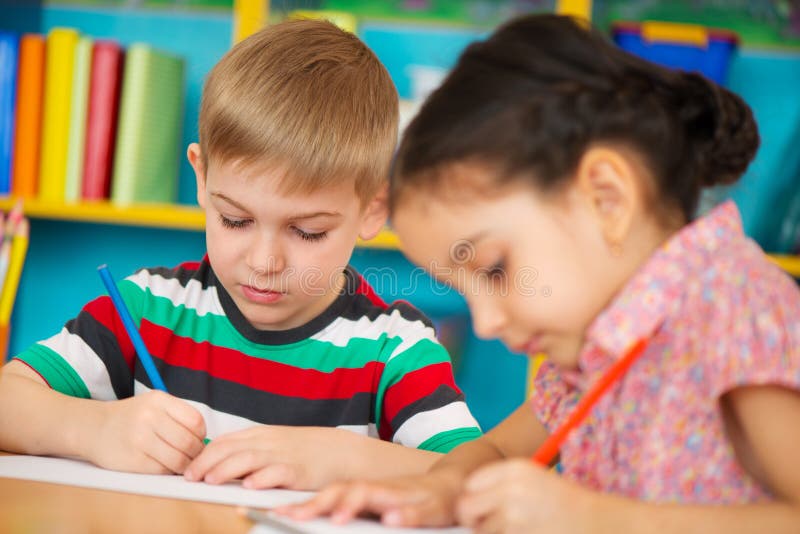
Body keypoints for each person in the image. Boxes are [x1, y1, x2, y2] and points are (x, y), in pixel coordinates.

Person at [277, 14, 800, 532]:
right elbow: (502, 450)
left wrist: (595, 520)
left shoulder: (733, 308)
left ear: (607, 199)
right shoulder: (596, 345)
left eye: (495, 269)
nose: (486, 323)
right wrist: (440, 489)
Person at [0, 19, 481, 490]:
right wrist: (95, 429)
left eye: (308, 231)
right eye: (235, 220)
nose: (265, 262)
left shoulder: (394, 349)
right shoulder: (149, 308)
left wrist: (346, 458)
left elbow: (479, 480)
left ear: (372, 209)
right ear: (203, 178)